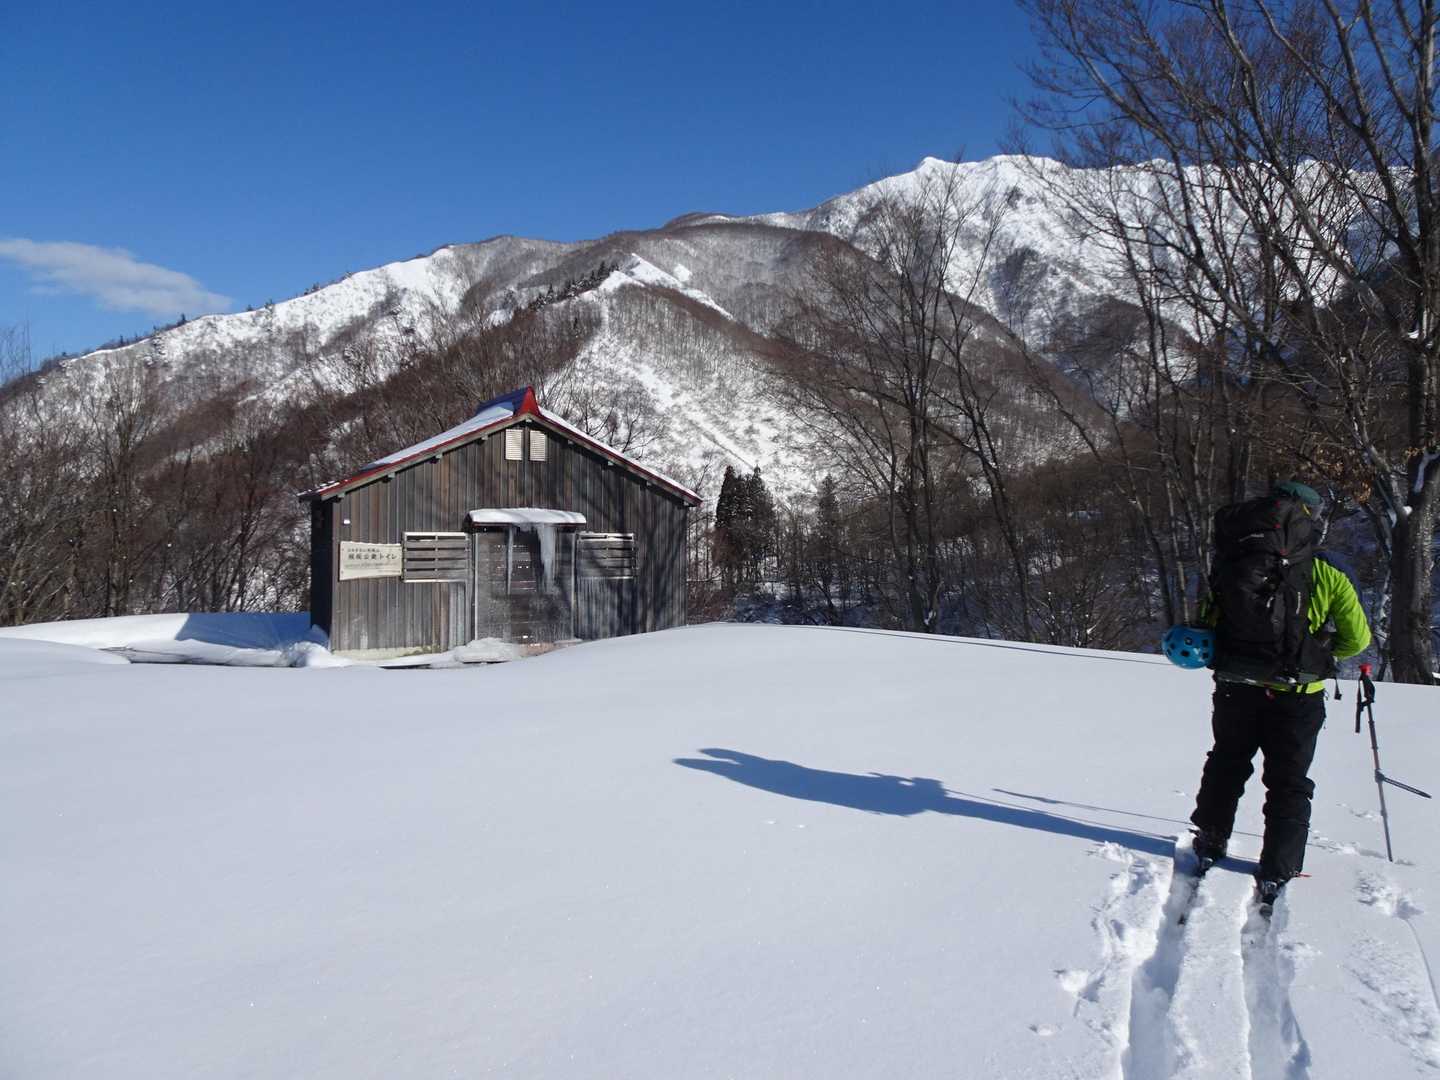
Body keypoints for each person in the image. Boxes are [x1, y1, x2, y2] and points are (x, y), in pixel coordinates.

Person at [1189, 480, 1372, 907]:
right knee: (1289, 780)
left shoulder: (1233, 557)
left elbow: (1207, 619)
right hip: (1297, 691)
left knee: (1227, 761)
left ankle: (1210, 839)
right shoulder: (1327, 570)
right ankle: (1278, 866)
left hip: (1236, 684)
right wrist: (1320, 653)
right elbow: (1357, 640)